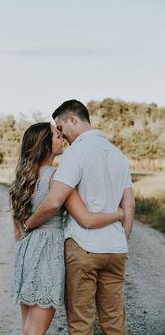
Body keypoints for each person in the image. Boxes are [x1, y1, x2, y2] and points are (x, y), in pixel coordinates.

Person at [24, 100, 135, 335]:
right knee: (115, 320)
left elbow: (54, 201)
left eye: (61, 128)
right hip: (115, 249)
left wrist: (28, 224)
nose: (61, 136)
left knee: (80, 322)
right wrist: (119, 240)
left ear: (72, 119)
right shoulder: (118, 155)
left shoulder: (76, 153)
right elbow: (129, 204)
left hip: (83, 248)